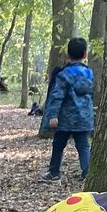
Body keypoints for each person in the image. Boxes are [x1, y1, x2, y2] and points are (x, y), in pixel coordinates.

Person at [40, 37, 93, 182]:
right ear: (85, 55)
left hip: (65, 119)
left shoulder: (64, 74)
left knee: (58, 145)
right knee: (83, 146)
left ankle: (54, 172)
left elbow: (57, 96)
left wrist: (52, 115)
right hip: (84, 118)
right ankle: (87, 173)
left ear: (68, 55)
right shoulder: (89, 74)